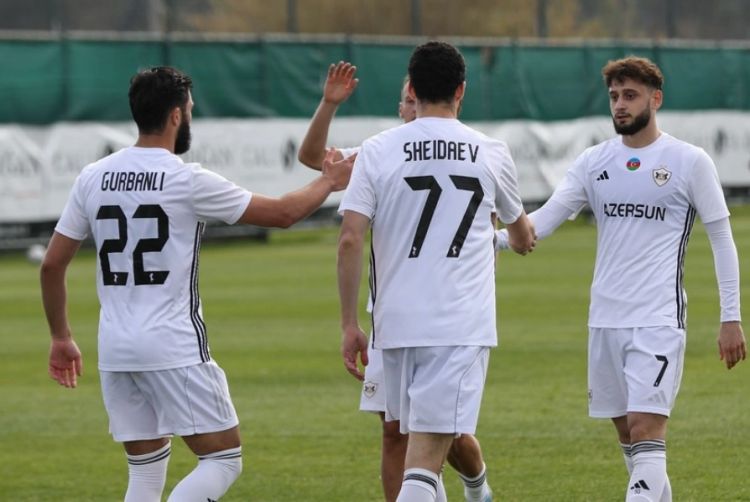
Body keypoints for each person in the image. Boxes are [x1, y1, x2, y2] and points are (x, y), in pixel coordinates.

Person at [40, 65, 353, 502]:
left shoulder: (94, 176)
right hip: (172, 345)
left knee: (145, 471)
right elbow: (283, 214)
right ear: (175, 116)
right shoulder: (186, 179)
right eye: (189, 109)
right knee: (224, 459)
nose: (191, 115)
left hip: (115, 349)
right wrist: (329, 180)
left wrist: (61, 337)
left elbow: (51, 265)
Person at [495, 56, 746, 501]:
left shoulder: (689, 161)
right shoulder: (595, 161)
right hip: (605, 322)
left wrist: (731, 317)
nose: (620, 105)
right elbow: (542, 222)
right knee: (632, 440)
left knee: (646, 429)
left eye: (630, 95)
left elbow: (722, 240)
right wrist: (489, 240)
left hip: (657, 320)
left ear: (656, 99)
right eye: (614, 96)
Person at [337, 42, 536, 502]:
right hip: (458, 326)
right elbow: (519, 232)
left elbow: (350, 238)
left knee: (413, 451)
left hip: (394, 325)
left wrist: (349, 323)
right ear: (461, 91)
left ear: (411, 88)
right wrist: (522, 238)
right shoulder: (491, 151)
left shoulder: (377, 149)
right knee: (424, 463)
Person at [299, 60, 496, 502]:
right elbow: (313, 158)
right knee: (394, 431)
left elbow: (488, 232)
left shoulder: (475, 153)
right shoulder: (379, 152)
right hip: (393, 317)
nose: (410, 105)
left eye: (414, 97)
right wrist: (329, 104)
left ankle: (477, 486)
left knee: (444, 435)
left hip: (448, 318)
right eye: (405, 100)